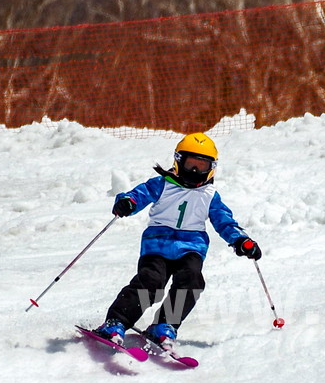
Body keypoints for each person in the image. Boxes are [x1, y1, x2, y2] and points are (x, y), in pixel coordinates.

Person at [93, 132, 261, 349]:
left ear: (211, 168)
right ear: (178, 161)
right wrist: (127, 202)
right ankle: (116, 322)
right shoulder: (162, 184)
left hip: (191, 248)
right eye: (191, 164)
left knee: (192, 280)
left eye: (201, 166)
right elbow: (138, 194)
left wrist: (241, 241)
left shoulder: (209, 195)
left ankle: (164, 326)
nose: (194, 171)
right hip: (157, 246)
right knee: (151, 282)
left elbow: (225, 221)